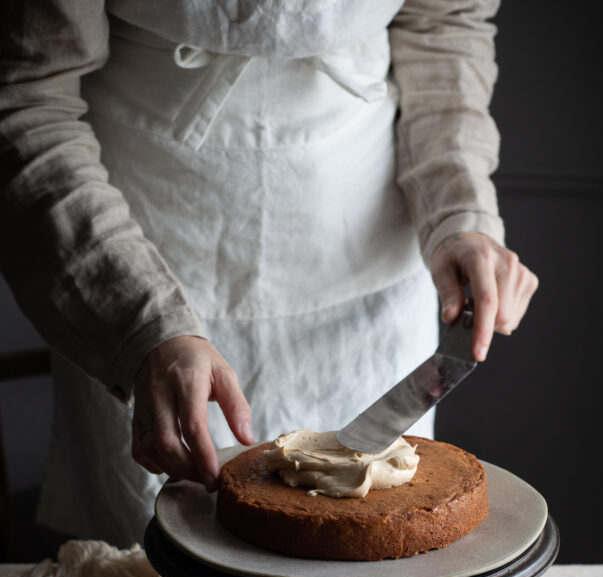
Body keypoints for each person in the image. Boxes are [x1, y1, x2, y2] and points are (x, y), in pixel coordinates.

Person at [0, 1, 538, 547]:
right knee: (155, 574)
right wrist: (137, 325)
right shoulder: (131, 299)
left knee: (378, 549)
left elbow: (443, 26)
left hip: (368, 254)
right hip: (138, 254)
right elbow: (26, 102)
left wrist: (460, 211)